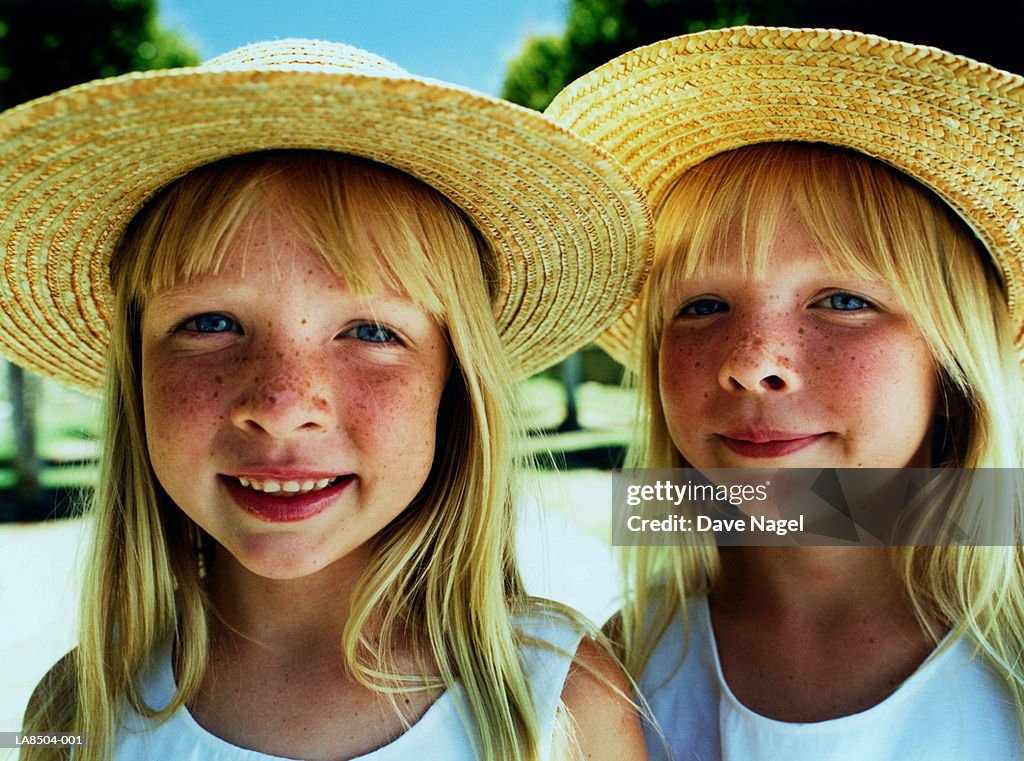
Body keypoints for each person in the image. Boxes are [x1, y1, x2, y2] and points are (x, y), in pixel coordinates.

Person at [0, 39, 654, 761]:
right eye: (210, 322)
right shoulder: (70, 712)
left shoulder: (561, 703)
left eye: (370, 330)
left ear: (454, 388)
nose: (282, 403)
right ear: (137, 373)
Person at [546, 26, 1024, 760]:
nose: (753, 363)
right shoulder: (615, 676)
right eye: (702, 305)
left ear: (954, 373)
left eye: (841, 299)